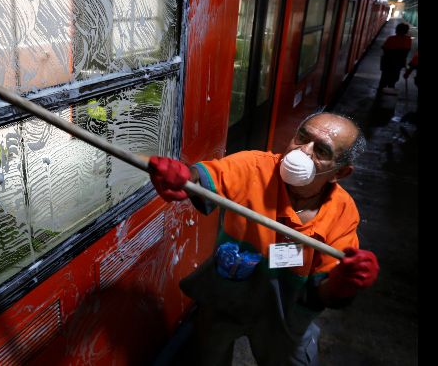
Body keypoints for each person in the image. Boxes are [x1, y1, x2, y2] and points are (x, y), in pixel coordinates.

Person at [148, 112, 379, 366]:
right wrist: (183, 178)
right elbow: (205, 176)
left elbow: (324, 294)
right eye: (302, 137)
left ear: (341, 173)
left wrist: (344, 282)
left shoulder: (343, 213)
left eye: (321, 150)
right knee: (207, 357)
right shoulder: (255, 167)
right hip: (227, 295)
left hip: (286, 311)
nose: (302, 151)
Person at [378, 22, 412, 94]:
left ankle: (380, 93)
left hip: (388, 62)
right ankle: (390, 90)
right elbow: (407, 50)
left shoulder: (391, 39)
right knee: (394, 78)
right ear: (406, 31)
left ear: (397, 30)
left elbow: (384, 48)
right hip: (399, 63)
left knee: (384, 78)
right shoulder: (408, 40)